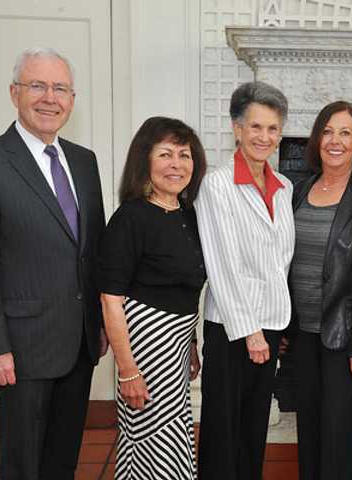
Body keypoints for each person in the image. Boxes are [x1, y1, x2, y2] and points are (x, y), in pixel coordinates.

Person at [0, 47, 107, 479]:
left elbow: (89, 250)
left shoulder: (84, 161)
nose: (49, 98)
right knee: (21, 466)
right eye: (37, 85)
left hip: (78, 344)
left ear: (72, 99)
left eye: (60, 88)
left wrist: (97, 323)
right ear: (14, 93)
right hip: (19, 350)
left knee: (62, 460)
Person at [195, 81, 295, 480]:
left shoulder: (285, 188)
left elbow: (280, 262)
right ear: (236, 128)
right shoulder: (216, 185)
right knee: (223, 430)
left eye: (273, 129)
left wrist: (276, 324)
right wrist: (250, 332)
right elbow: (222, 265)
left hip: (270, 325)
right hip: (232, 329)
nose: (264, 137)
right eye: (255, 127)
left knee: (255, 429)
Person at [97, 117, 207, 479]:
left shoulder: (189, 215)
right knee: (151, 442)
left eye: (184, 154)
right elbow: (111, 300)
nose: (176, 164)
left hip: (176, 348)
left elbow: (184, 288)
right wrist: (127, 372)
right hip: (145, 350)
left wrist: (190, 345)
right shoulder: (130, 218)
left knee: (173, 437)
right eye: (165, 154)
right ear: (145, 160)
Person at [290, 100, 352, 480]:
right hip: (302, 335)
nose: (336, 140)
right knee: (309, 432)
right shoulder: (298, 191)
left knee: (339, 436)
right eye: (329, 131)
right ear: (318, 140)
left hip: (345, 340)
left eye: (345, 133)